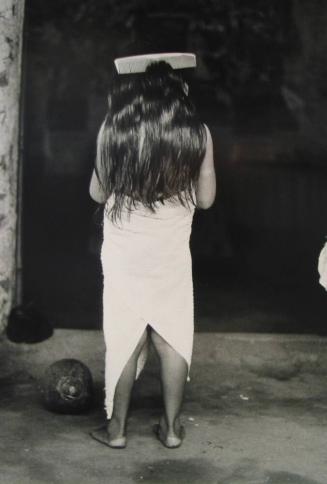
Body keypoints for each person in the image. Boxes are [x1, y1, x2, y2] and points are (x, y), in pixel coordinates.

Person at [89, 54, 216, 449]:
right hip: (170, 252)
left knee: (125, 335)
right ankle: (173, 429)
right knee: (171, 335)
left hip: (125, 250)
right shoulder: (198, 132)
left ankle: (117, 430)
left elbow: (97, 192)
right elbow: (207, 199)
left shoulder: (114, 128)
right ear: (179, 89)